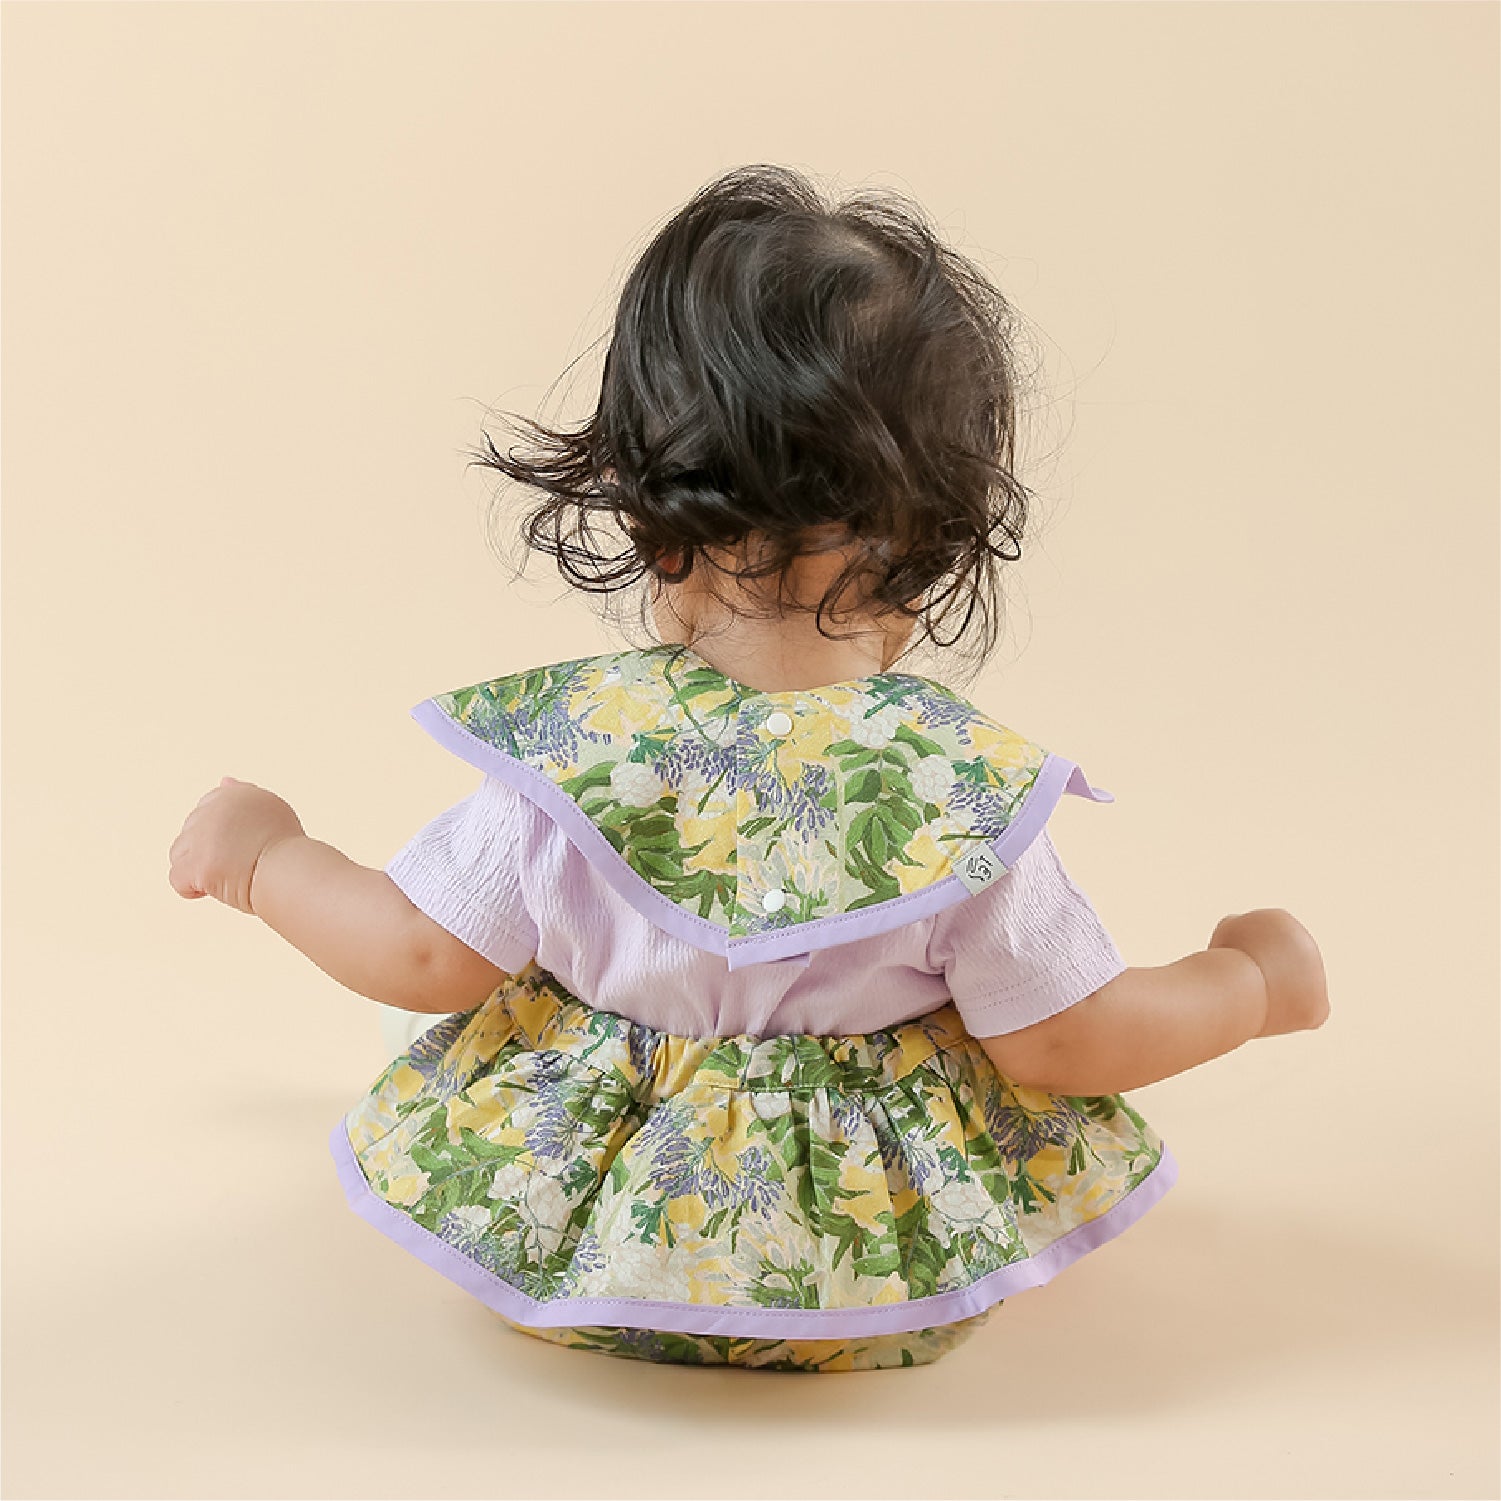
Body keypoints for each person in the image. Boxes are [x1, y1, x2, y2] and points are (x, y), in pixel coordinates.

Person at [166, 165, 1330, 1373]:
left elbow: (418, 954)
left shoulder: (579, 754)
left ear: (652, 523)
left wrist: (266, 857)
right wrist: (1249, 982)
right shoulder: (951, 792)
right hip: (874, 1287)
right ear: (934, 546)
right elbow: (1068, 1040)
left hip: (574, 1259)